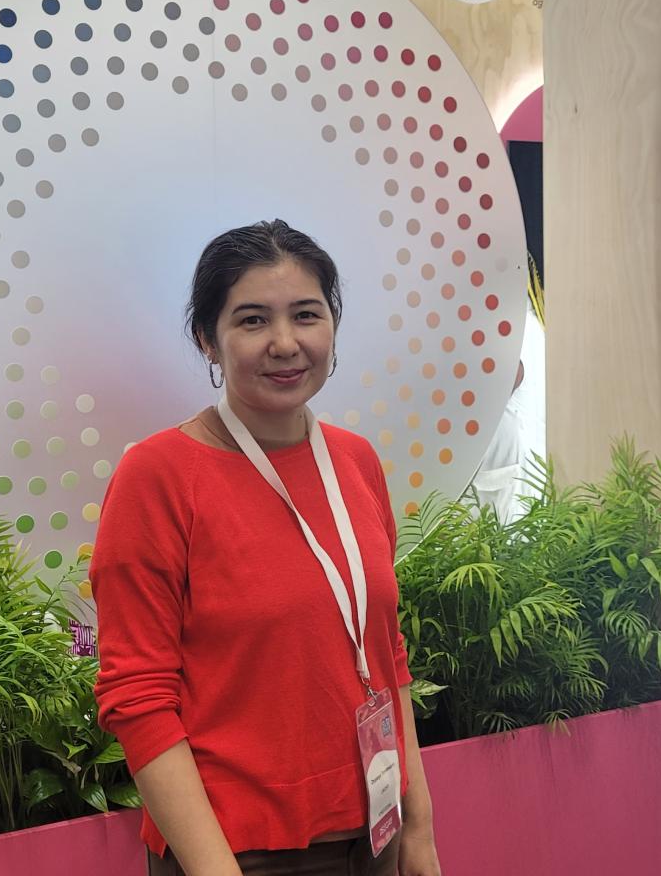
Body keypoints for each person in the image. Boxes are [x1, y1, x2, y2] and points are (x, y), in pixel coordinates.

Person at [90, 220, 442, 876]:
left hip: (374, 828)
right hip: (235, 852)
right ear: (208, 341)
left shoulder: (355, 462)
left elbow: (385, 654)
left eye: (306, 315)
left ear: (332, 326)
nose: (285, 343)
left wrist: (417, 826)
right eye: (252, 321)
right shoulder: (157, 477)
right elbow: (137, 698)